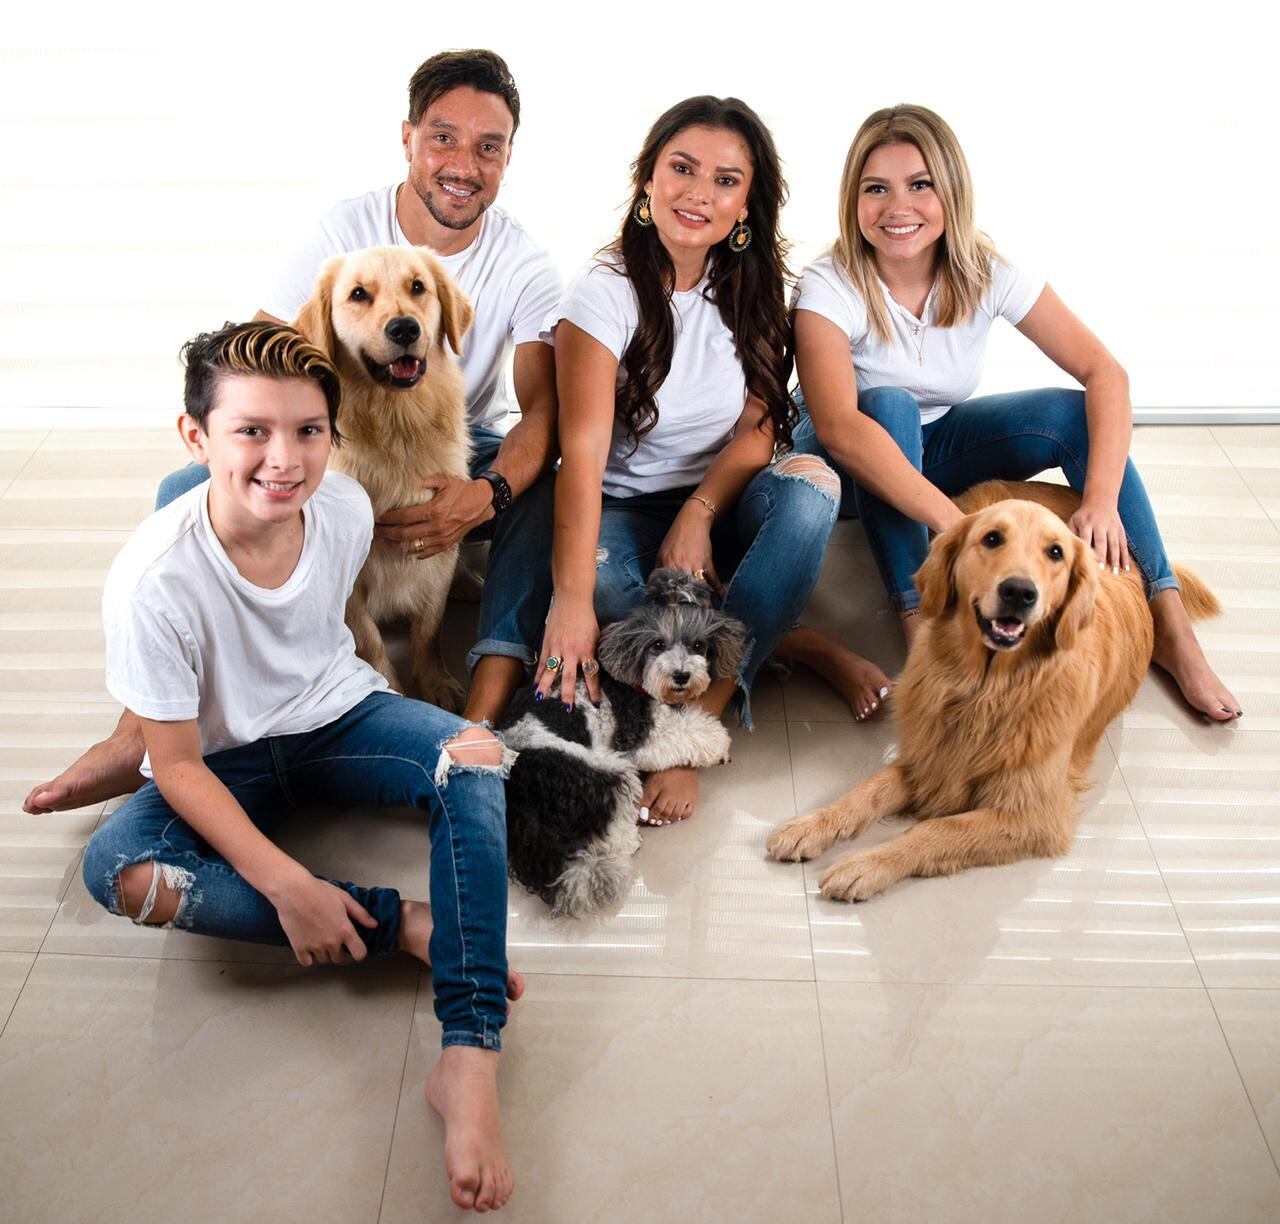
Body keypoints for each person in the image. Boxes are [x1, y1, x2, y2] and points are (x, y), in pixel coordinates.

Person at [25, 48, 561, 816]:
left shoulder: (525, 263)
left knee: (549, 482)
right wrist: (285, 462)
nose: (463, 163)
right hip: (337, 436)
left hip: (455, 439)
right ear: (407, 137)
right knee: (185, 491)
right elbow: (264, 355)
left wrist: (486, 491)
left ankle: (476, 697)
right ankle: (140, 726)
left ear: (508, 157)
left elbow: (541, 414)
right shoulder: (343, 229)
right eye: (444, 137)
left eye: (489, 145)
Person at [79, 321, 520, 1213]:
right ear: (196, 439)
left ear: (334, 433)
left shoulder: (347, 510)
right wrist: (290, 885)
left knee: (477, 755)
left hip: (338, 715)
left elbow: (336, 631)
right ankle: (401, 926)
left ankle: (469, 1055)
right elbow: (178, 766)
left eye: (309, 431)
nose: (285, 459)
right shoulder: (151, 581)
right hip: (222, 758)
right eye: (252, 431)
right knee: (118, 874)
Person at [791, 104, 1241, 722]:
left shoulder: (985, 269)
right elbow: (840, 427)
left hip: (935, 447)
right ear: (853, 200)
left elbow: (1104, 372)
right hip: (843, 469)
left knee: (1072, 413)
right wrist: (958, 531)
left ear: (950, 192)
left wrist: (1101, 499)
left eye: (920, 185)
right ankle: (919, 626)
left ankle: (1168, 620)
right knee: (888, 405)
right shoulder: (827, 285)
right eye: (877, 189)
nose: (899, 207)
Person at [537, 96, 892, 826]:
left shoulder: (757, 286)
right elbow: (581, 456)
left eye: (726, 181)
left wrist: (701, 512)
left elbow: (761, 427)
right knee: (606, 596)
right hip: (625, 507)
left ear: (746, 206)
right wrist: (567, 602)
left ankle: (698, 724)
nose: (699, 193)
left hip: (723, 499)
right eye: (682, 168)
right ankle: (799, 640)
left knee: (812, 487)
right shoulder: (601, 295)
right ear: (647, 181)